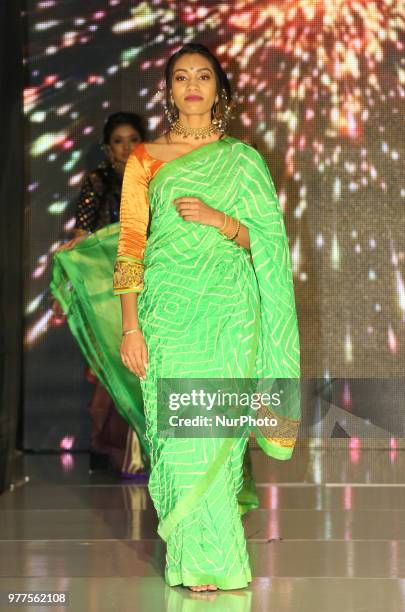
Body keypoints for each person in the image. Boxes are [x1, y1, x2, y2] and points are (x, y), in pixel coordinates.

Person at [114, 43, 301, 591]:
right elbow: (130, 249)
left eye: (203, 76)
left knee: (215, 433)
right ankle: (193, 555)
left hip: (228, 314)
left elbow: (263, 242)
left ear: (219, 89)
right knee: (180, 437)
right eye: (180, 77)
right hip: (169, 313)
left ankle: (217, 560)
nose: (191, 85)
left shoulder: (243, 160)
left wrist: (221, 219)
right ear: (168, 90)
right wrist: (131, 327)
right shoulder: (144, 159)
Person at [53, 112, 148, 476]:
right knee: (109, 368)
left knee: (143, 368)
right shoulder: (99, 180)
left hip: (143, 281)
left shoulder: (154, 178)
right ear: (108, 148)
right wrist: (71, 256)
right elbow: (84, 231)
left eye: (133, 138)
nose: (126, 147)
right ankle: (110, 450)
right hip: (105, 286)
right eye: (119, 140)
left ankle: (147, 453)